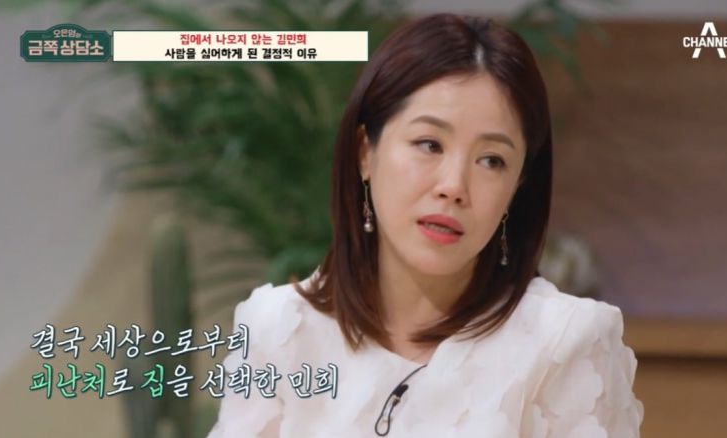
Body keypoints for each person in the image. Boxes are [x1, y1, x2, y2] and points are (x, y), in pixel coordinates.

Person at [208, 13, 643, 438]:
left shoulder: (566, 343)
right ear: (364, 152)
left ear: (518, 185)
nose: (454, 186)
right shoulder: (279, 330)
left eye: (492, 160)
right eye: (430, 144)